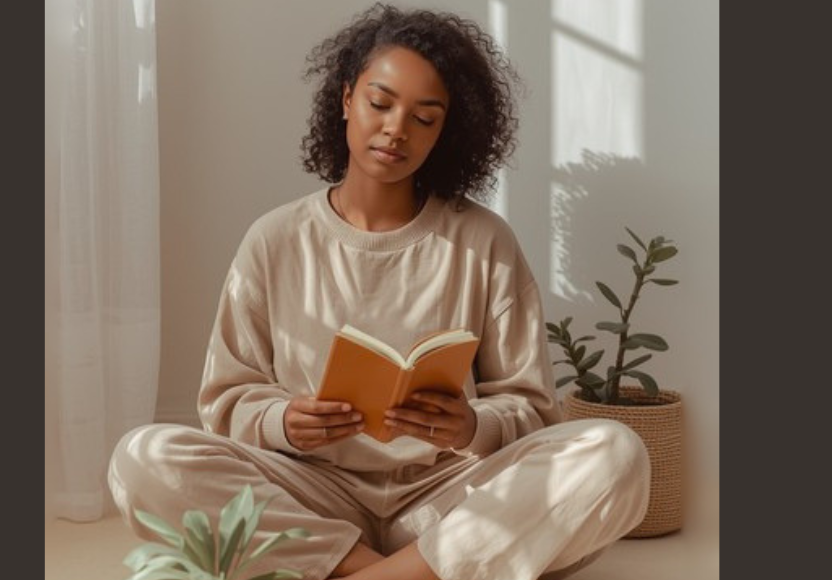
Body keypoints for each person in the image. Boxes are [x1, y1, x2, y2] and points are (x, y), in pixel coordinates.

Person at [109, 4, 650, 580]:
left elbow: (533, 408)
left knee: (616, 453)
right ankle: (416, 572)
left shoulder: (484, 241)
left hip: (446, 499)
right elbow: (225, 401)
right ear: (346, 99)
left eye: (426, 117)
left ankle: (371, 572)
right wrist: (285, 421)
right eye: (380, 102)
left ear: (447, 131)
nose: (397, 129)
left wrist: (471, 426)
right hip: (311, 494)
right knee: (143, 458)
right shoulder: (275, 239)